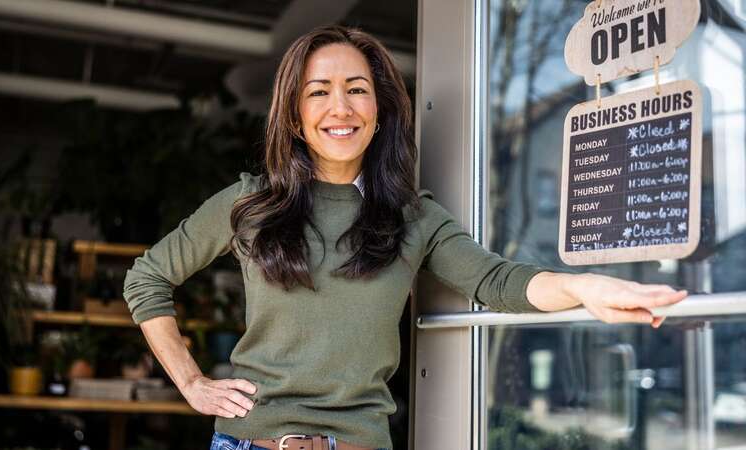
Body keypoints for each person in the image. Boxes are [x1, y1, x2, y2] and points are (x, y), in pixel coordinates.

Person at [122, 25, 687, 450]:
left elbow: (497, 280)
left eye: (357, 90)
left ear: (380, 109)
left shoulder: (413, 219)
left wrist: (585, 288)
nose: (339, 108)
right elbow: (146, 278)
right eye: (318, 92)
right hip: (250, 442)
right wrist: (191, 383)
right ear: (294, 117)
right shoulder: (249, 204)